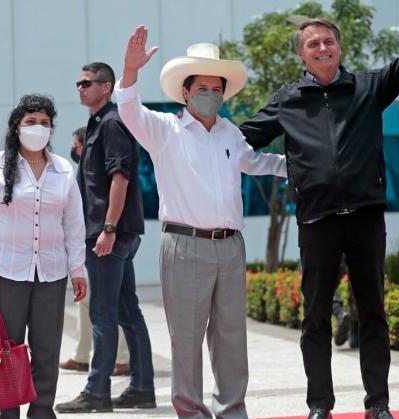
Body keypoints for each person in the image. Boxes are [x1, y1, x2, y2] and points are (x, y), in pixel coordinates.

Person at [238, 2, 399, 418]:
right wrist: (191, 130)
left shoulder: (368, 87)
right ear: (302, 54)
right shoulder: (287, 101)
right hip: (316, 220)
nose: (322, 47)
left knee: (372, 312)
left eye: (328, 41)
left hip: (365, 215)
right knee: (315, 319)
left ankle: (377, 404)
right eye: (312, 43)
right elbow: (238, 141)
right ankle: (319, 406)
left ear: (338, 47)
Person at [116, 26, 286, 418]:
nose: (211, 95)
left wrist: (302, 168)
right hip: (184, 245)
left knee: (231, 336)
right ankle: (190, 412)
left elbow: (258, 163)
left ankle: (231, 411)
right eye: (203, 88)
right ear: (186, 92)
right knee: (187, 338)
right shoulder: (164, 130)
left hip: (230, 246)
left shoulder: (230, 133)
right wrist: (129, 70)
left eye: (217, 88)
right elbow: (127, 109)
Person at [0, 94, 87, 419]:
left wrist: (78, 269)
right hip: (6, 275)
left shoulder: (63, 170)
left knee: (47, 352)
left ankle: (42, 413)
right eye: (31, 122)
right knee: (7, 351)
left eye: (45, 123)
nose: (38, 128)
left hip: (52, 273)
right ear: (17, 127)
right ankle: (7, 415)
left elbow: (74, 224)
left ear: (52, 128)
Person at [55, 62, 155, 413]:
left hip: (108, 234)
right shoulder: (98, 123)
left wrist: (108, 229)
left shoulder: (113, 122)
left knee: (103, 313)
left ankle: (97, 391)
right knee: (128, 311)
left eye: (87, 82)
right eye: (78, 82)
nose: (80, 87)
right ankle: (143, 387)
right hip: (112, 233)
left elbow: (120, 178)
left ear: (106, 87)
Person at [60, 126, 132, 377]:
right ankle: (82, 356)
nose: (74, 150)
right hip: (87, 244)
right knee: (86, 302)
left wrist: (106, 232)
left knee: (109, 303)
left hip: (102, 242)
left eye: (76, 145)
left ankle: (123, 358)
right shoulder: (84, 171)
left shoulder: (101, 172)